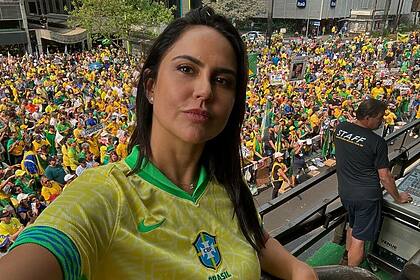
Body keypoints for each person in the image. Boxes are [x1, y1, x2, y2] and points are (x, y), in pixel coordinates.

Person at [0, 7, 317, 280]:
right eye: (186, 69)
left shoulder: (231, 191)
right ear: (150, 86)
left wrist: (301, 270)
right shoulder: (104, 196)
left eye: (222, 80)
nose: (204, 90)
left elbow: (262, 245)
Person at [334, 99, 412, 267]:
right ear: (368, 117)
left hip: (346, 192)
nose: (382, 121)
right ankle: (350, 275)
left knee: (353, 226)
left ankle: (346, 259)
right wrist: (398, 197)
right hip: (366, 197)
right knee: (359, 240)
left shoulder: (340, 129)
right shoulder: (377, 142)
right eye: (380, 117)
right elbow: (385, 176)